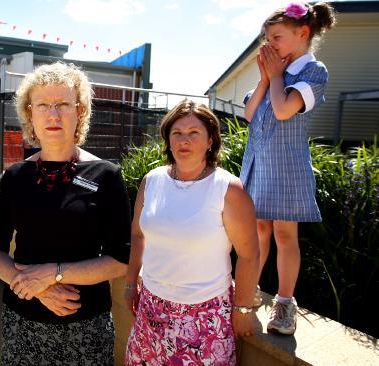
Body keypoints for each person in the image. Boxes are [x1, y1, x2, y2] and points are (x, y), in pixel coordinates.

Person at [0, 62, 132, 365]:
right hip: (23, 322)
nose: (53, 114)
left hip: (86, 326)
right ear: (30, 114)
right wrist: (37, 290)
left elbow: (120, 260)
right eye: (43, 105)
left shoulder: (106, 175)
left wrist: (53, 273)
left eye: (63, 104)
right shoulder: (15, 176)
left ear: (80, 112)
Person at [124, 100, 259, 365]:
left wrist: (242, 309)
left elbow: (249, 255)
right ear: (168, 139)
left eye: (194, 133)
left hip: (204, 317)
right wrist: (130, 283)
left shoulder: (228, 189)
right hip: (150, 310)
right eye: (177, 133)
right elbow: (138, 235)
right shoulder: (152, 180)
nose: (184, 140)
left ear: (210, 141)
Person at [241, 2, 336, 335]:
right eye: (267, 39)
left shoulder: (313, 71)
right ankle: (248, 289)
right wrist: (266, 79)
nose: (270, 46)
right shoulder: (273, 76)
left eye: (277, 37)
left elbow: (283, 111)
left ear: (303, 33)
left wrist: (277, 76)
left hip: (287, 167)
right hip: (259, 164)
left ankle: (284, 304)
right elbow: (252, 114)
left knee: (284, 234)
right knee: (258, 232)